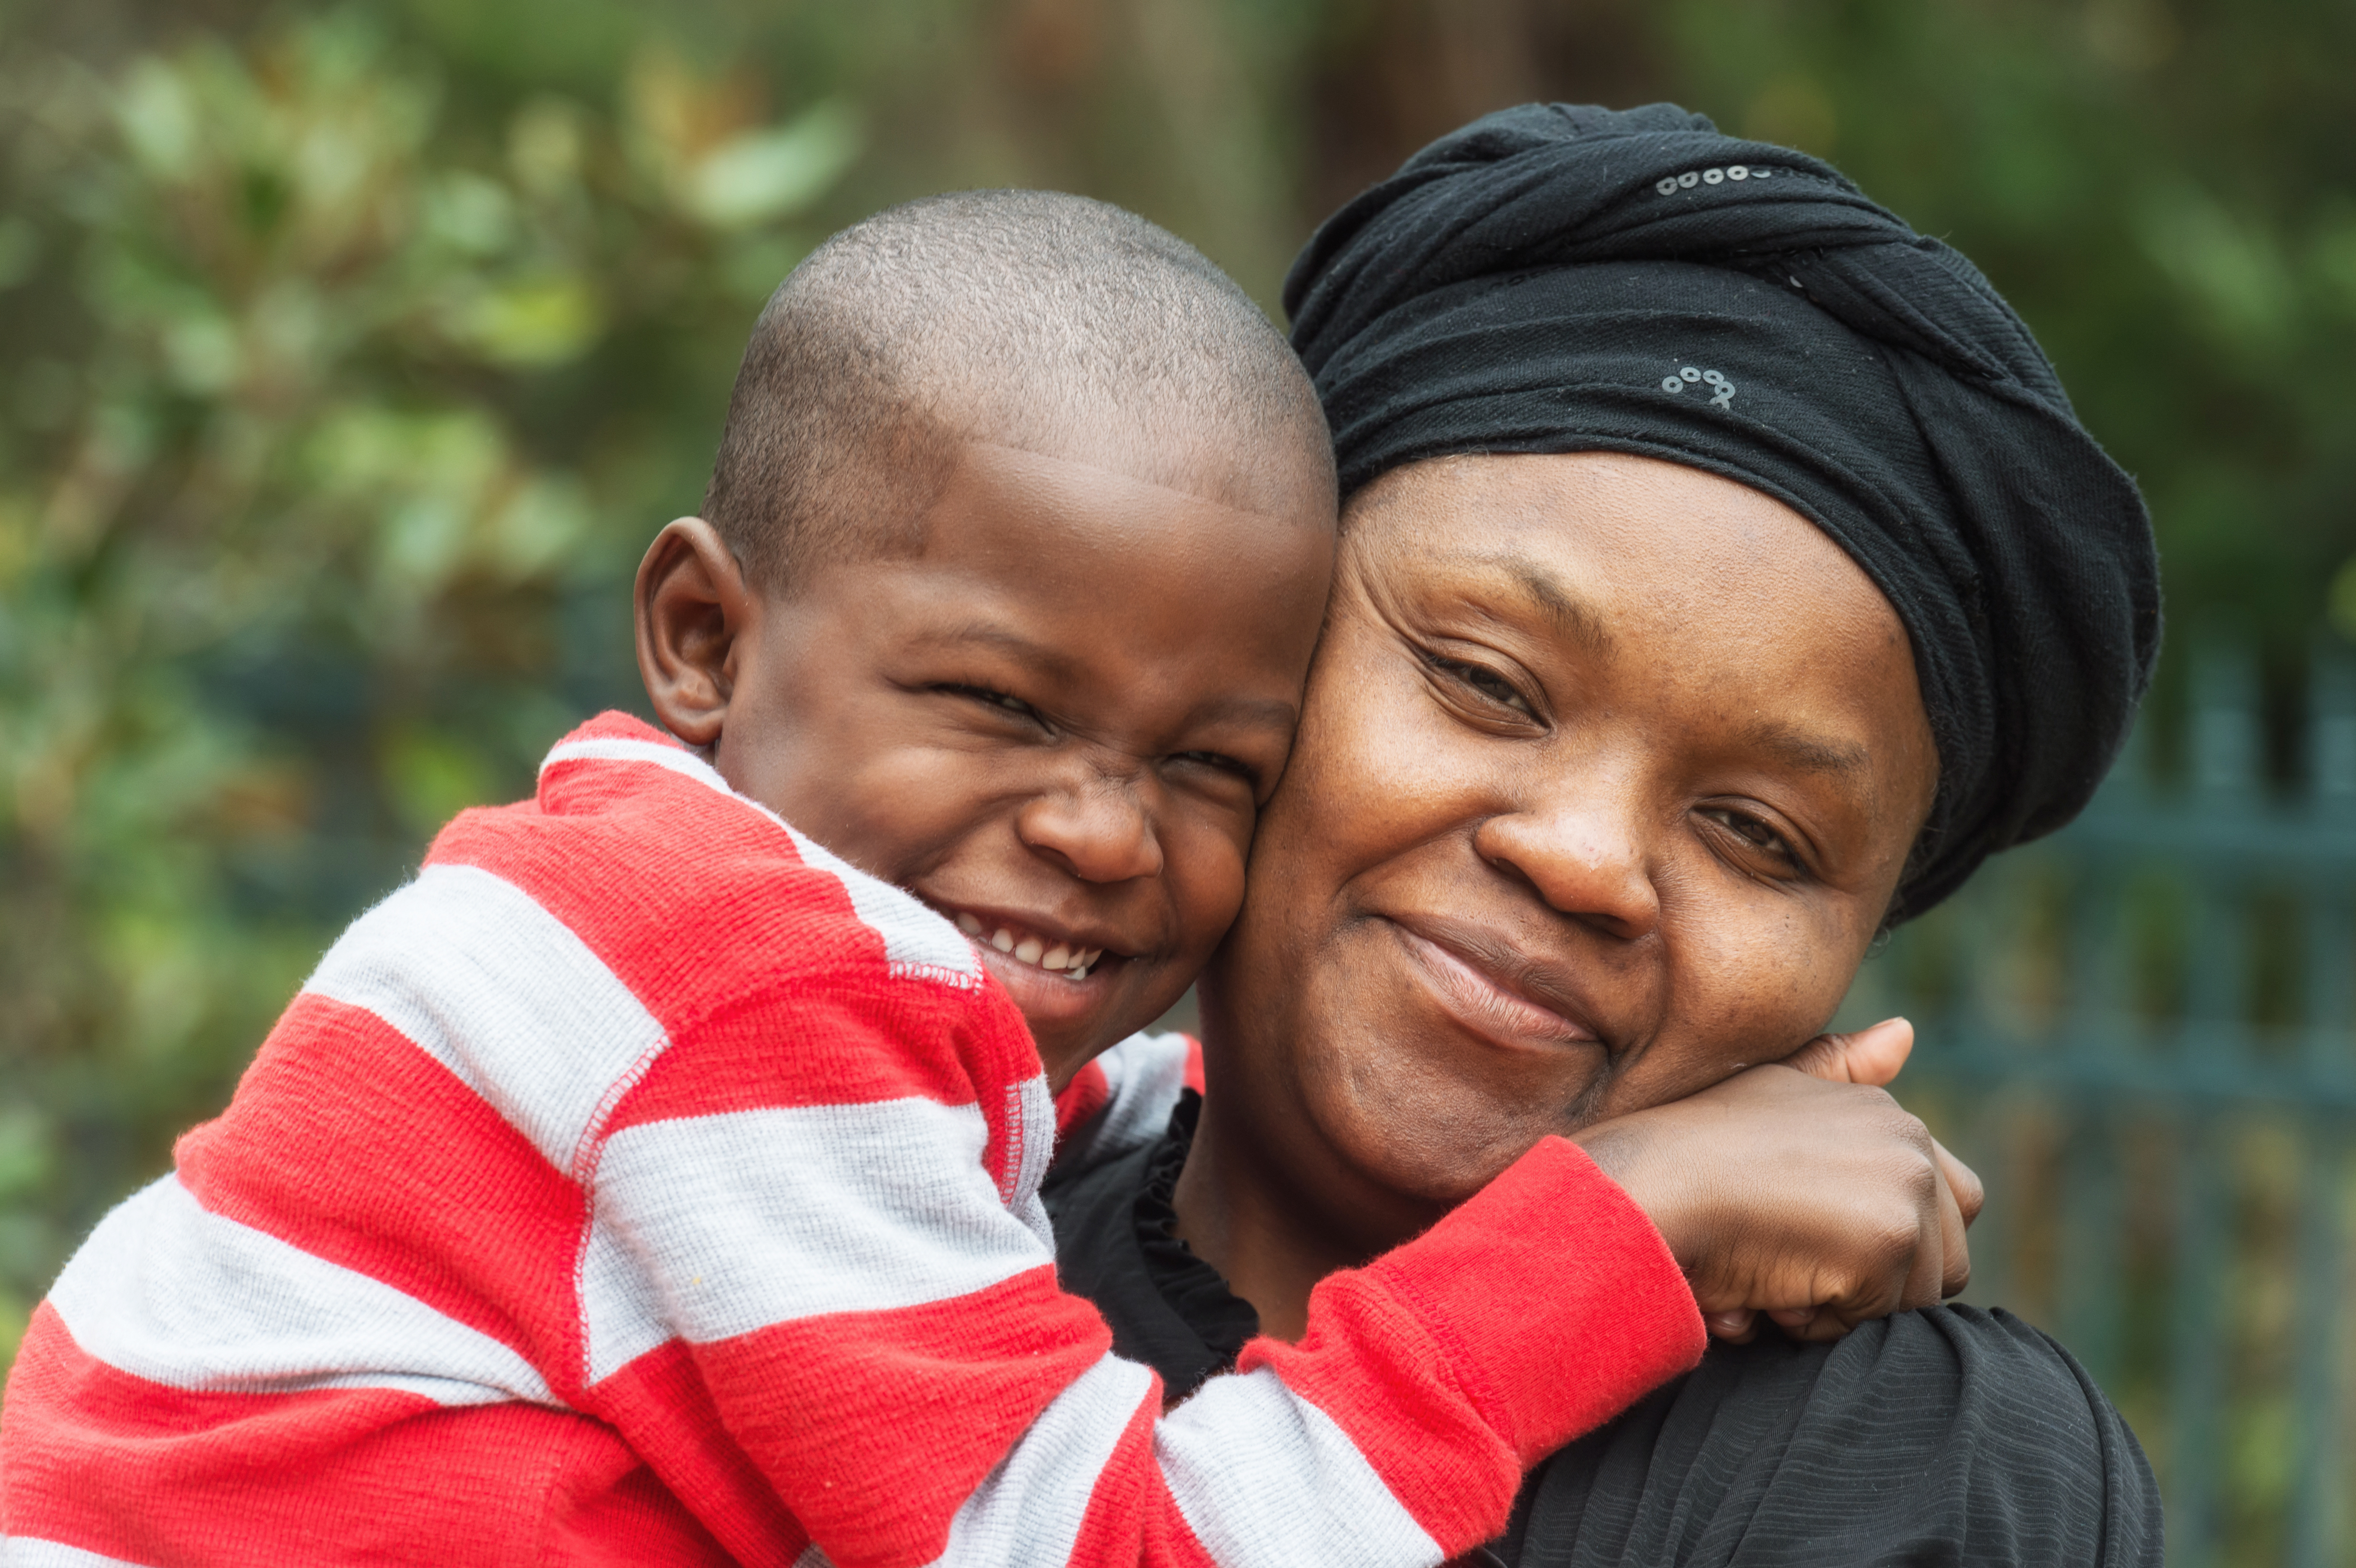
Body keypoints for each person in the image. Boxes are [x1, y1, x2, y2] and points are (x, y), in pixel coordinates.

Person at [0, 190, 1965, 1568]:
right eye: (999, 706)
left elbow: (940, 1095)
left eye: (1206, 763)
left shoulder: (638, 917)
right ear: (701, 635)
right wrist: (1624, 1223)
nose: (1105, 829)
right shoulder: (737, 1010)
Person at [1047, 104, 2166, 1565]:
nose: (1581, 857)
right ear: (1261, 656)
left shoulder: (1901, 1468)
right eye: (1487, 684)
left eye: (1760, 835)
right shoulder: (876, 1240)